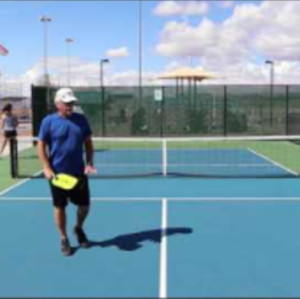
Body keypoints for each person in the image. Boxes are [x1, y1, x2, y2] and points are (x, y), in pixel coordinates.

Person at [37, 88, 96, 256]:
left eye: (72, 102)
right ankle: (64, 238)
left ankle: (78, 228)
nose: (70, 105)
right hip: (57, 175)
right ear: (58, 104)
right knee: (59, 207)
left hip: (78, 173)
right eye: (67, 103)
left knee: (84, 206)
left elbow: (88, 143)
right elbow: (40, 145)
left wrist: (90, 162)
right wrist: (47, 167)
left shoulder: (81, 120)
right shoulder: (48, 121)